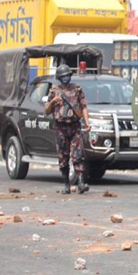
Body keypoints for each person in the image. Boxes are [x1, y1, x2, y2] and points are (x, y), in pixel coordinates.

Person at [45, 64, 90, 194]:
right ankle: (66, 185)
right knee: (63, 157)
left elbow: (84, 106)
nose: (66, 78)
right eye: (63, 76)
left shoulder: (77, 89)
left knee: (78, 155)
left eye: (67, 76)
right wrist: (53, 101)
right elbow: (47, 110)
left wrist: (87, 122)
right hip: (61, 128)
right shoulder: (54, 90)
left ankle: (81, 183)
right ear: (59, 77)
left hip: (75, 126)